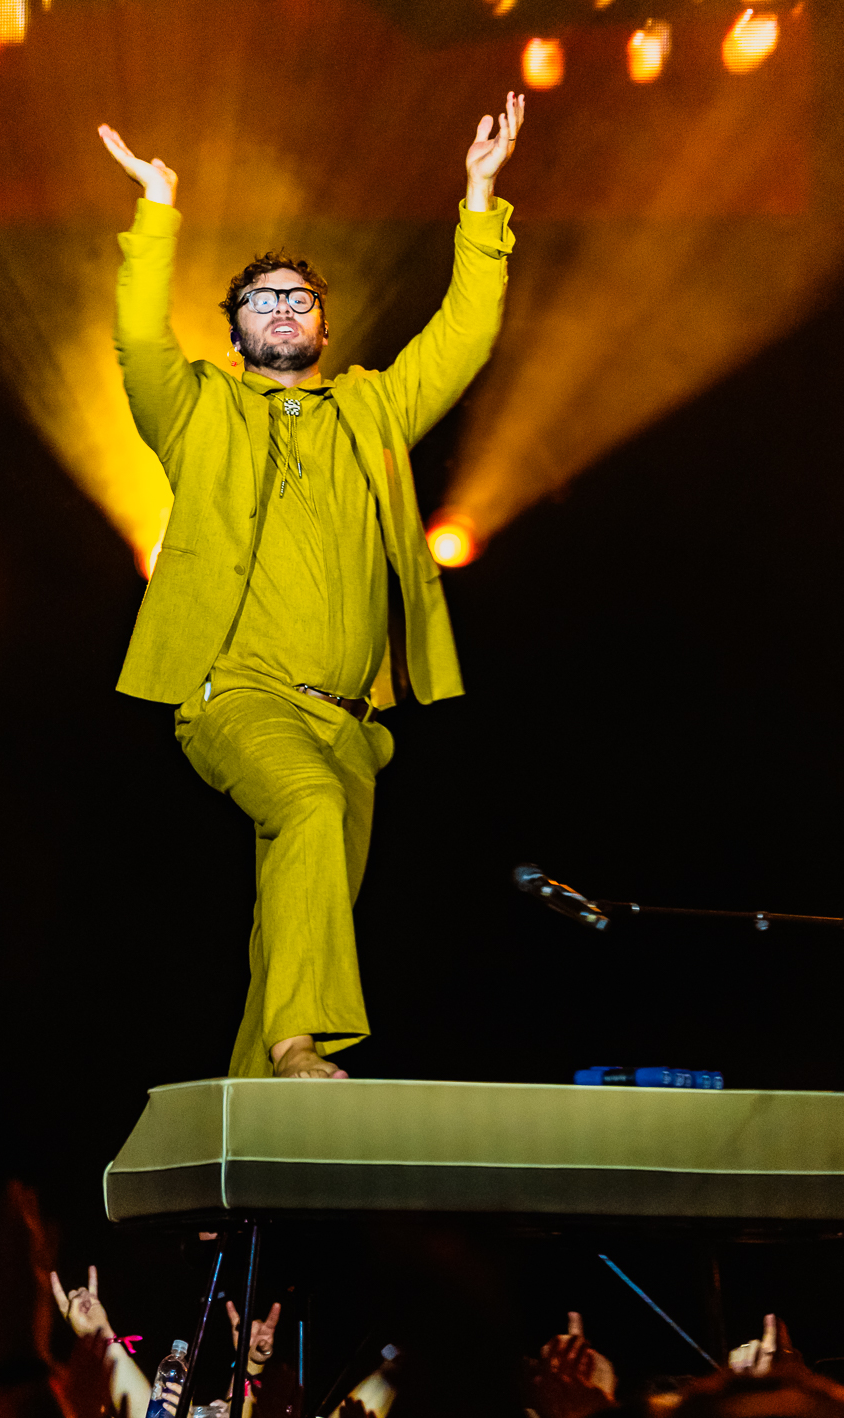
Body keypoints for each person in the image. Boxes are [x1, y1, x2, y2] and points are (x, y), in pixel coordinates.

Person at [100, 95, 523, 1080]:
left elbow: (462, 337)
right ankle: (298, 1048)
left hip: (351, 726)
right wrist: (157, 211)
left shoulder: (373, 406)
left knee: (295, 923)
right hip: (236, 696)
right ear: (237, 329)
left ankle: (242, 1161)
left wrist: (478, 196)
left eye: (301, 298)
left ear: (323, 327)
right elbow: (137, 341)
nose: (285, 307)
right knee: (307, 811)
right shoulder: (197, 410)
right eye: (264, 299)